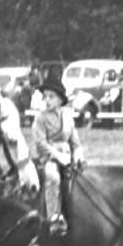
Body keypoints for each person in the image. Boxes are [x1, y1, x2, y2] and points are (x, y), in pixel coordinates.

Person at [32, 77, 84, 235]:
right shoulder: (40, 118)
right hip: (49, 157)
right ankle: (54, 218)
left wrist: (78, 153)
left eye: (51, 96)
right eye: (45, 97)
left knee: (85, 177)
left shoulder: (67, 115)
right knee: (53, 177)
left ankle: (80, 215)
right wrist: (57, 156)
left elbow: (74, 140)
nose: (47, 100)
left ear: (60, 99)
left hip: (69, 157)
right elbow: (40, 143)